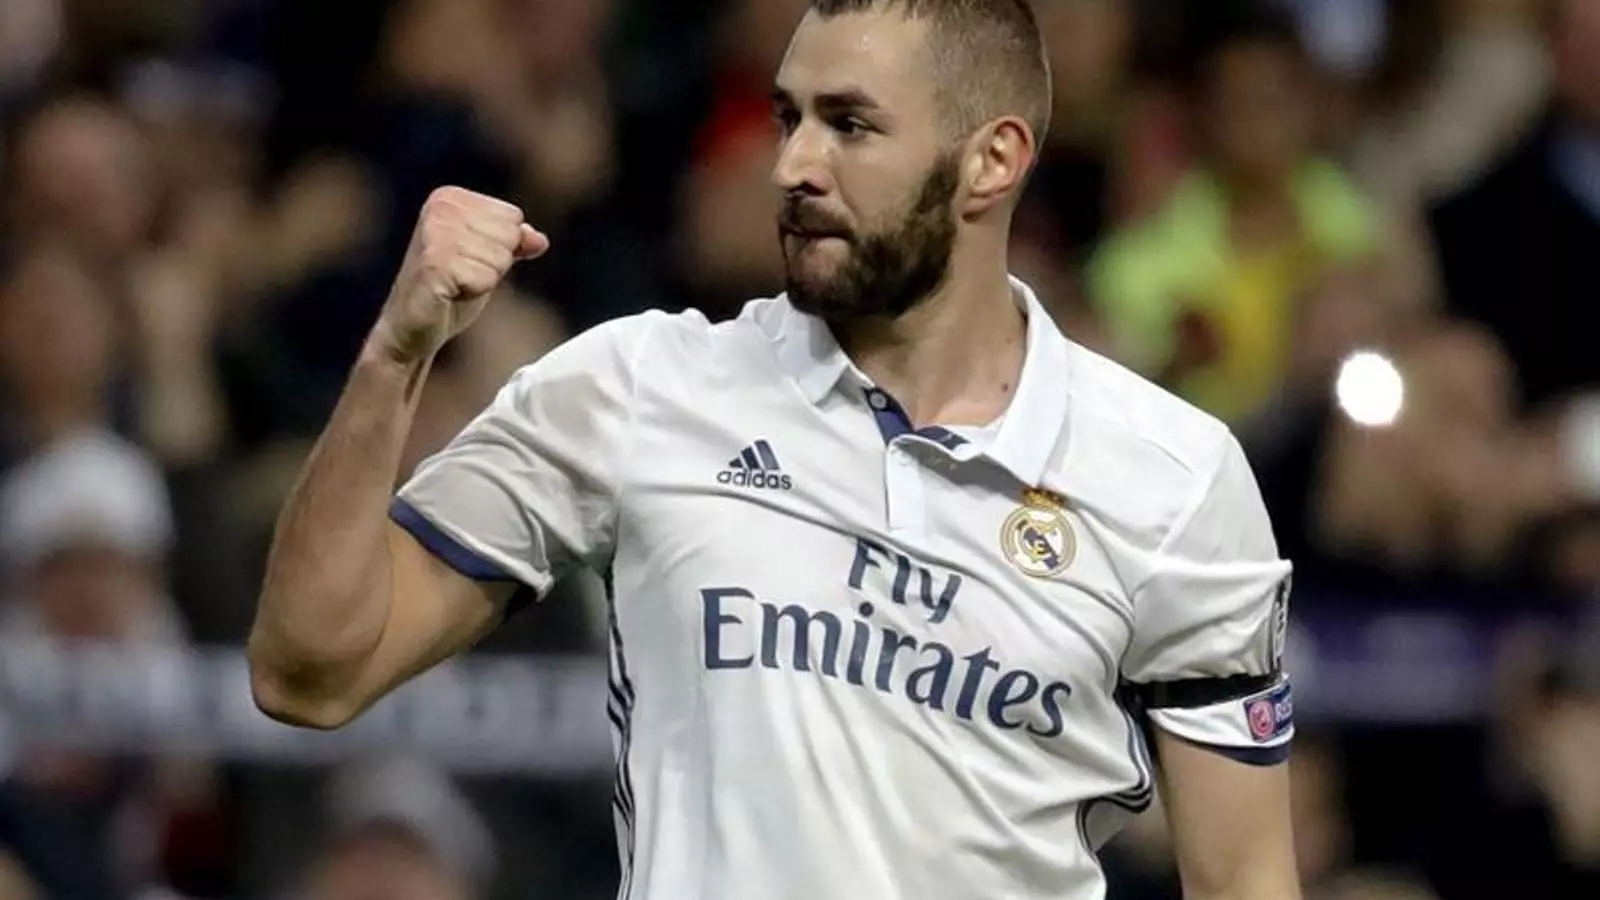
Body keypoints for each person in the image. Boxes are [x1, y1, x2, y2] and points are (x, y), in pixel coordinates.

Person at [247, 2, 1300, 898]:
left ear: (992, 161)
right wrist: (395, 354)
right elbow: (310, 671)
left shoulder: (1174, 478)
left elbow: (1247, 880)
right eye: (787, 118)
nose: (792, 165)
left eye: (850, 125)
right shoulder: (637, 389)